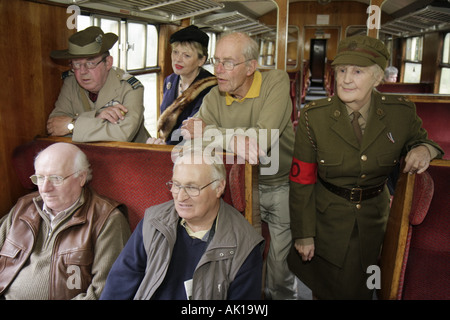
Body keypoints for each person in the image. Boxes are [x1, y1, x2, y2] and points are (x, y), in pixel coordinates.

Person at [287, 35, 444, 300]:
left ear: (377, 77)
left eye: (358, 71)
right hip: (327, 219)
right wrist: (304, 234)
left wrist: (425, 149)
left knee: (363, 286)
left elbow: (424, 140)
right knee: (325, 289)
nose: (346, 79)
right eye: (342, 70)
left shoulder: (400, 113)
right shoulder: (314, 118)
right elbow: (301, 180)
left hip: (375, 220)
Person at [181, 32, 298, 300]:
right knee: (238, 260)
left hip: (279, 184)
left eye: (229, 62)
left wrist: (213, 133)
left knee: (280, 271)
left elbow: (262, 141)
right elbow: (191, 141)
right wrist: (233, 138)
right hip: (235, 190)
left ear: (250, 67)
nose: (218, 70)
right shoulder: (213, 96)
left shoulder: (276, 82)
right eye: (216, 61)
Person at [100, 149, 264, 300]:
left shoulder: (245, 245)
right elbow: (119, 283)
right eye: (176, 185)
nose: (180, 197)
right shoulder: (153, 222)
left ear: (219, 187)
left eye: (192, 187)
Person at [0, 142, 131, 299]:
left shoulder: (107, 220)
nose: (45, 188)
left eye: (56, 178)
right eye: (40, 178)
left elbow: (105, 291)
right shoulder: (24, 207)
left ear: (81, 178)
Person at [47, 26, 149, 143]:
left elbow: (122, 134)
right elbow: (54, 126)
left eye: (90, 63)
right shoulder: (70, 82)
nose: (83, 71)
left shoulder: (129, 88)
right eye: (76, 64)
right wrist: (96, 116)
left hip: (130, 155)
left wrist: (72, 125)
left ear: (108, 63)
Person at [147, 25, 217, 145]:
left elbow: (192, 129)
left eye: (186, 55)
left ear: (201, 60)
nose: (177, 59)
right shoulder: (170, 81)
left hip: (193, 149)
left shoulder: (210, 88)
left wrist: (166, 148)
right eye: (175, 52)